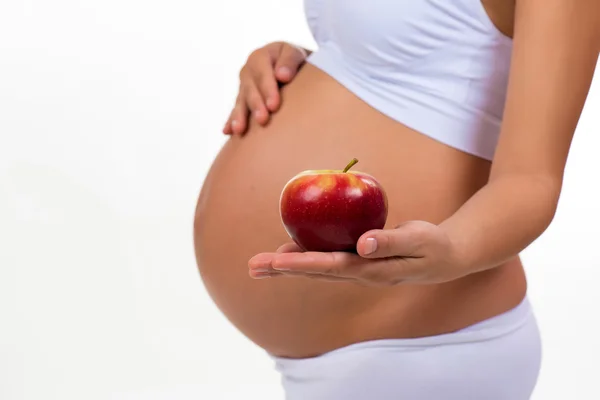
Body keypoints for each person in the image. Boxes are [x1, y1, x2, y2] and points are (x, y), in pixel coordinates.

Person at [194, 0, 599, 398]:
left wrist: (452, 247)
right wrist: (307, 66)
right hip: (353, 361)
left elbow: (531, 182)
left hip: (426, 354)